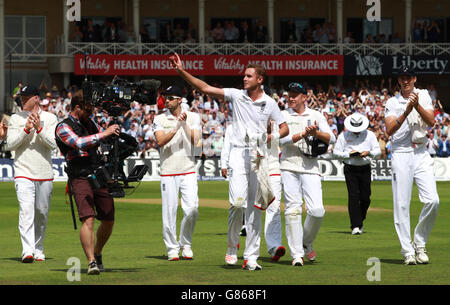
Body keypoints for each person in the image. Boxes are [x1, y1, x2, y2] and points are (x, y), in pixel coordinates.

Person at [170, 53, 288, 271]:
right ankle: (232, 247)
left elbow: (284, 128)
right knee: (236, 204)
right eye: (244, 76)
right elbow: (204, 88)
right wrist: (181, 71)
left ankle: (251, 256)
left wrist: (272, 137)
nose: (244, 79)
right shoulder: (236, 95)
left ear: (260, 79)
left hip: (259, 156)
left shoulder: (270, 103)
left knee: (255, 208)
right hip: (239, 154)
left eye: (249, 76)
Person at [55, 90, 121, 274]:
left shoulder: (89, 123)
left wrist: (114, 135)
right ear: (77, 108)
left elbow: (103, 137)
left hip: (99, 173)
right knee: (88, 219)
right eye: (88, 109)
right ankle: (91, 261)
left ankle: (98, 252)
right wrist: (104, 133)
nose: (91, 113)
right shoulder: (63, 126)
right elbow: (78, 143)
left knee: (108, 219)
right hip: (79, 175)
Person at [384, 65, 439, 265]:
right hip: (401, 153)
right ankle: (407, 250)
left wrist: (416, 106)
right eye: (402, 77)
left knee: (433, 200)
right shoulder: (392, 101)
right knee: (401, 204)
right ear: (399, 80)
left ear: (415, 78)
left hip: (421, 152)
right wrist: (407, 110)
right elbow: (389, 130)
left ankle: (420, 242)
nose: (406, 80)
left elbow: (432, 121)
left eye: (409, 77)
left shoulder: (423, 95)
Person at [279, 82, 335, 266]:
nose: (291, 98)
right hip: (288, 165)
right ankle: (296, 254)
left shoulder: (316, 115)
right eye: (289, 94)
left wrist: (316, 132)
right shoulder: (283, 115)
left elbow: (332, 138)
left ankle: (305, 243)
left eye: (295, 95)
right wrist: (303, 134)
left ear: (305, 97)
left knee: (317, 211)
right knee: (293, 210)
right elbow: (281, 140)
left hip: (311, 167)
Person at [5, 84, 57, 263]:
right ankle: (27, 251)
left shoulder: (50, 118)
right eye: (21, 97)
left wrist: (40, 129)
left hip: (44, 172)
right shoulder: (15, 118)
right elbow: (10, 144)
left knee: (41, 213)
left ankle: (38, 248)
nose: (22, 100)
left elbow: (53, 144)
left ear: (36, 98)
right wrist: (26, 129)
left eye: (26, 97)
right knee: (26, 211)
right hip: (23, 171)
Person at [152, 85, 201, 261]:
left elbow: (197, 142)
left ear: (180, 100)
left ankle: (185, 243)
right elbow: (160, 141)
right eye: (165, 97)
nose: (167, 100)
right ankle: (172, 248)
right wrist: (175, 128)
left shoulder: (194, 117)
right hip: (168, 170)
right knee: (169, 212)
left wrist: (184, 124)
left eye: (171, 97)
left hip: (188, 169)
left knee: (192, 209)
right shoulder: (159, 119)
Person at [333, 113, 381, 235]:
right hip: (350, 168)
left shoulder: (369, 135)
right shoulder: (343, 136)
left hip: (365, 167)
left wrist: (368, 153)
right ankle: (355, 225)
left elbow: (378, 151)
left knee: (366, 198)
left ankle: (359, 220)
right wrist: (349, 154)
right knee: (353, 196)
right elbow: (336, 152)